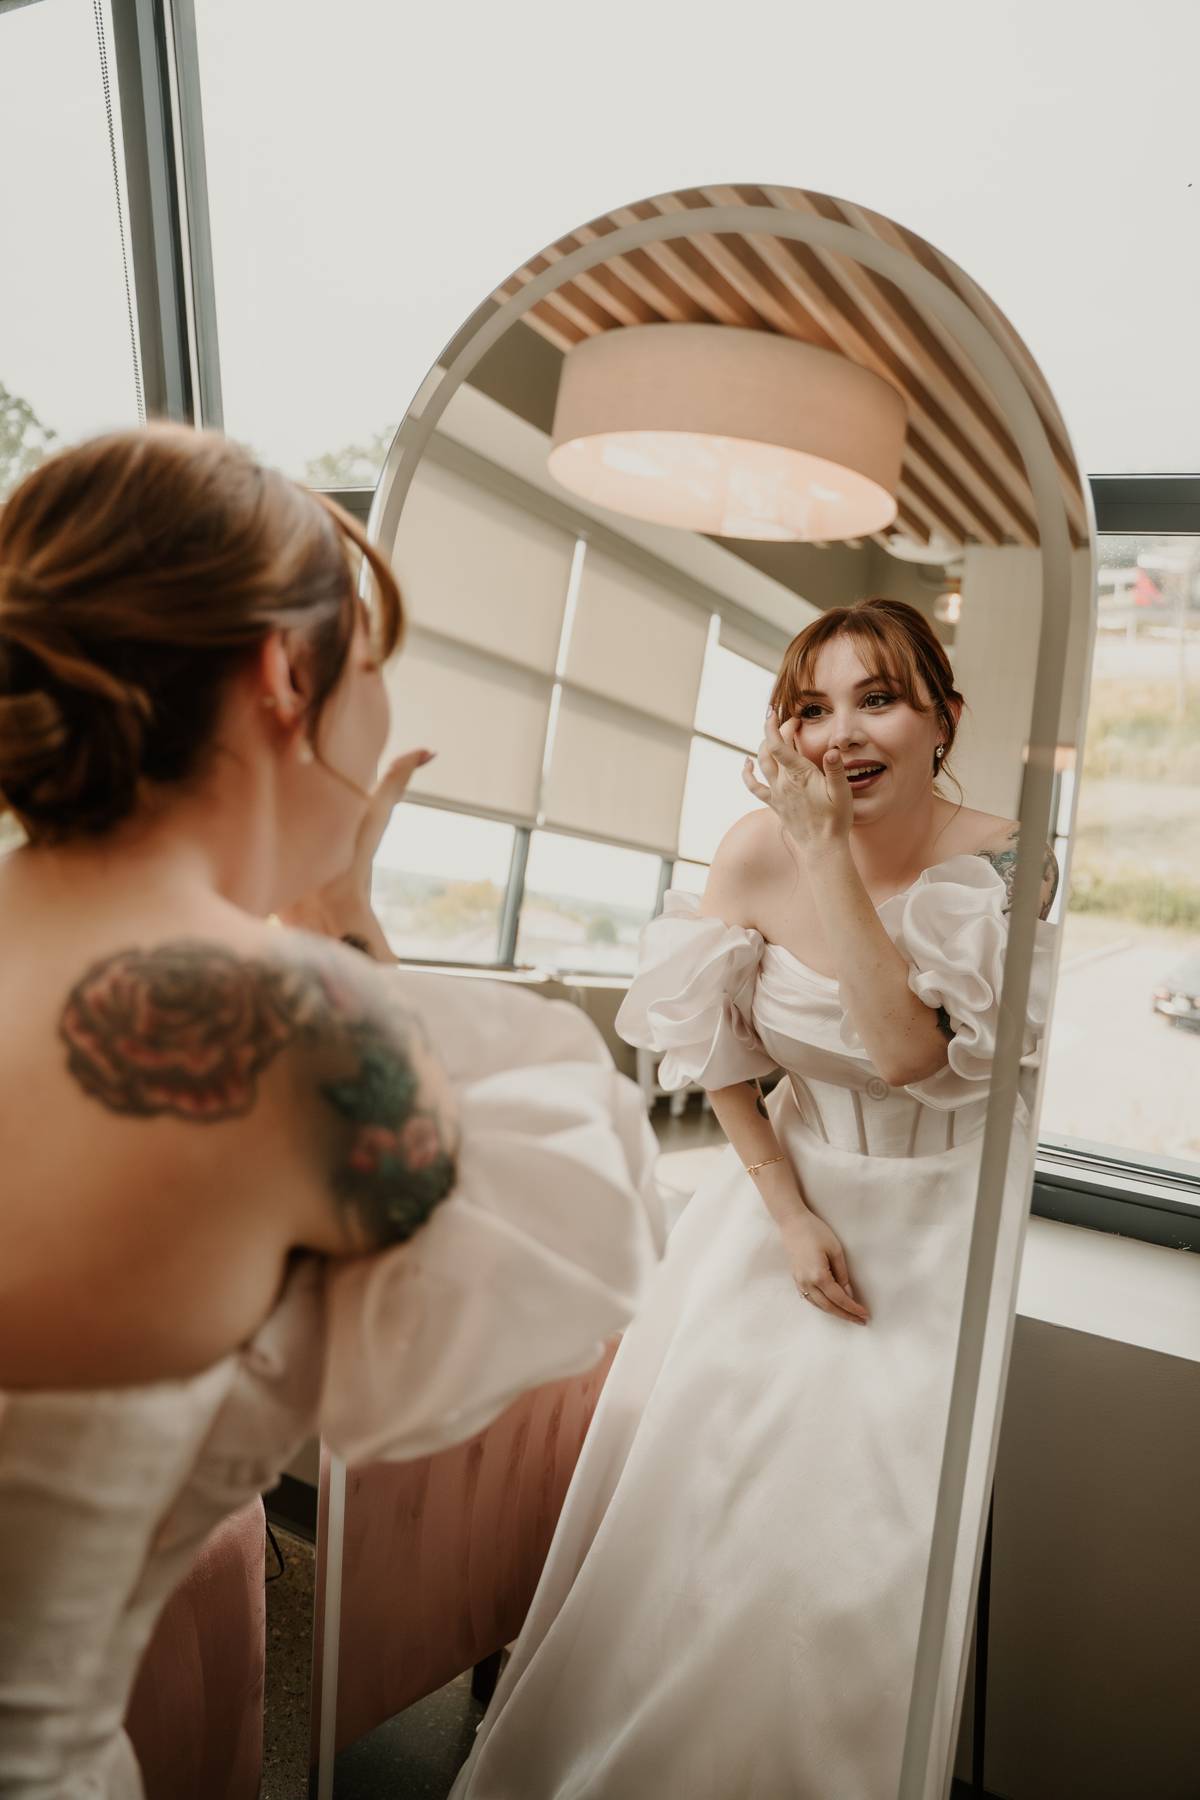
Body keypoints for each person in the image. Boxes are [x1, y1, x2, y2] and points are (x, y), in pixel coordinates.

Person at [0, 425, 661, 1798]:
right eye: (373, 664)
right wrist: (339, 920)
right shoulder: (296, 1033)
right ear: (286, 675)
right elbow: (562, 1278)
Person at [449, 597, 1058, 1799]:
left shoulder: (1006, 863)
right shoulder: (748, 851)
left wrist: (826, 852)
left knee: (865, 1551)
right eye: (811, 709)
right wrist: (788, 1213)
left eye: (877, 699)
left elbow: (908, 1054)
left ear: (943, 718)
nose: (841, 734)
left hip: (944, 1224)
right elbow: (712, 1046)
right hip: (787, 1207)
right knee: (707, 1516)